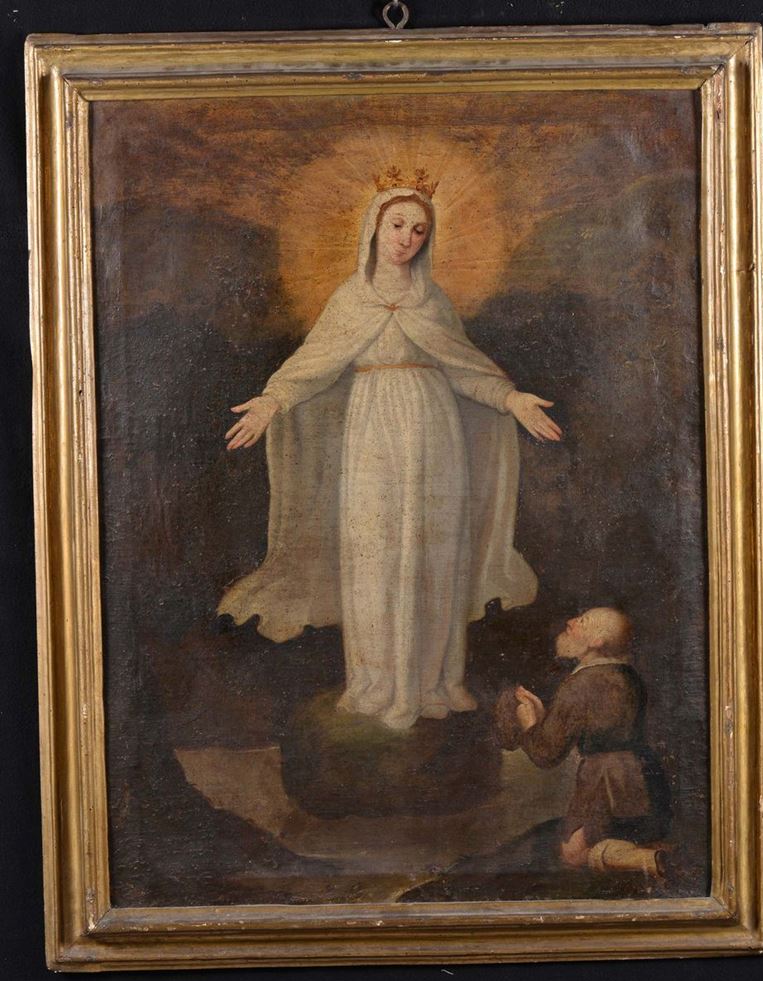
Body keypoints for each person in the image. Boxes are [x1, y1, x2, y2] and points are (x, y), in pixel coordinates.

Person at [219, 171, 562, 730]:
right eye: (397, 225)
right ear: (374, 228)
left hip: (436, 435)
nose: (406, 238)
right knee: (373, 551)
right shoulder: (350, 299)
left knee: (436, 553)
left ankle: (433, 682)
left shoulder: (433, 300)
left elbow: (464, 369)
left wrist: (512, 398)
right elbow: (312, 365)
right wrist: (270, 402)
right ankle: (377, 684)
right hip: (372, 436)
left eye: (419, 230)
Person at [512, 608, 671, 877]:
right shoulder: (627, 675)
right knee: (624, 836)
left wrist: (529, 723)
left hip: (605, 779)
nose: (570, 622)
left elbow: (546, 753)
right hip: (644, 775)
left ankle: (647, 860)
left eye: (581, 621)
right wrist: (543, 719)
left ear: (597, 641)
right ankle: (649, 854)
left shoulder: (581, 683)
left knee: (572, 855)